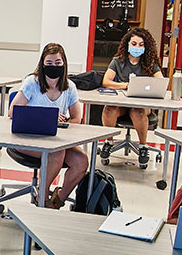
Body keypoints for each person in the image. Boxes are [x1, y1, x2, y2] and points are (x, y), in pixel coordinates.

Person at [9, 43, 89, 208]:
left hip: (56, 139)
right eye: (50, 63)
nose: (54, 67)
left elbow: (76, 118)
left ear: (64, 64)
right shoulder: (32, 82)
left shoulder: (69, 87)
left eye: (58, 63)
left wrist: (63, 123)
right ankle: (42, 198)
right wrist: (46, 118)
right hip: (27, 138)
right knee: (56, 154)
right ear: (42, 64)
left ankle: (58, 200)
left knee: (81, 161)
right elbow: (13, 112)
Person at [100, 26, 163, 166]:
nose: (137, 47)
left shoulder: (150, 63)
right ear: (127, 44)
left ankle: (143, 147)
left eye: (141, 45)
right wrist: (127, 85)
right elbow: (106, 81)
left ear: (146, 47)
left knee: (138, 111)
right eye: (134, 44)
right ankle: (108, 142)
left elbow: (161, 82)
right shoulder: (117, 61)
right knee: (109, 109)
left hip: (141, 105)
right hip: (122, 103)